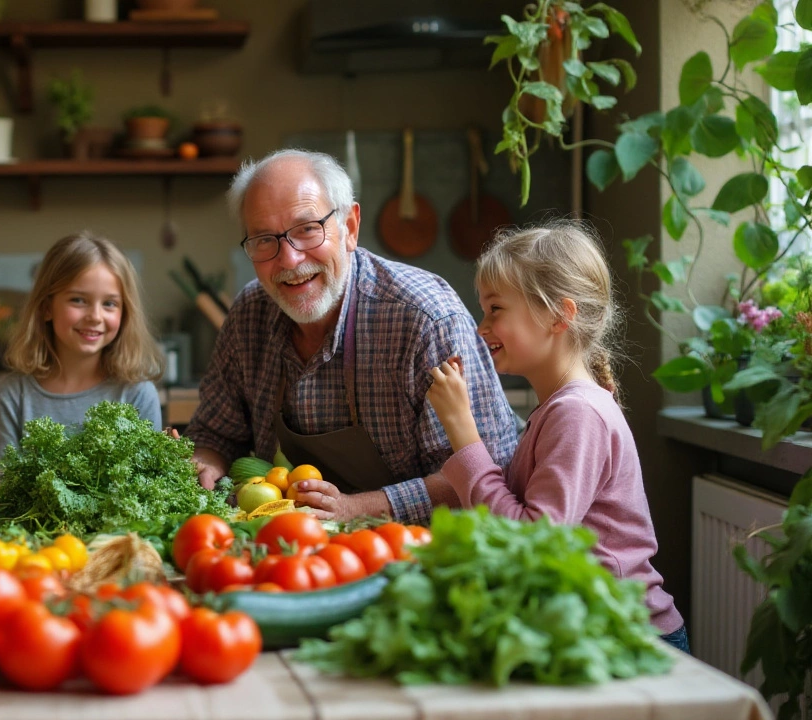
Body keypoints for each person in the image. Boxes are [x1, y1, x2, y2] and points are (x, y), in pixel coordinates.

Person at [186, 149, 519, 523]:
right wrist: (205, 463)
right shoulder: (250, 314)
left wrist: (353, 509)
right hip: (286, 552)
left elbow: (486, 478)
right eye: (264, 239)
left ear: (350, 227)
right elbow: (216, 434)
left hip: (415, 555)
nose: (290, 260)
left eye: (307, 229)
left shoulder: (425, 319)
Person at [425, 221, 687, 652]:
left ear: (559, 315)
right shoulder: (561, 407)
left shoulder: (578, 413)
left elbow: (536, 541)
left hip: (626, 638)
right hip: (590, 629)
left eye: (496, 309)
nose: (480, 326)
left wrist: (462, 431)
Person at [0, 231, 164, 453]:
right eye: (78, 300)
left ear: (125, 313)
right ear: (46, 308)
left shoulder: (138, 394)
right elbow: (6, 482)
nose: (95, 316)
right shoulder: (14, 395)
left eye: (109, 304)